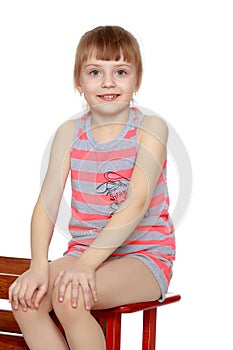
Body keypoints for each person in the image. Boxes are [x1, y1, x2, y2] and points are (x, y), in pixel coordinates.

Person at [9, 25, 176, 350]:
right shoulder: (69, 133)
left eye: (121, 71)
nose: (108, 82)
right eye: (96, 71)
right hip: (83, 253)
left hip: (143, 256)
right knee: (26, 301)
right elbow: (47, 204)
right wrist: (38, 266)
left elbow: (136, 202)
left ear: (137, 80)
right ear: (78, 81)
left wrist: (86, 266)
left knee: (72, 297)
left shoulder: (150, 128)